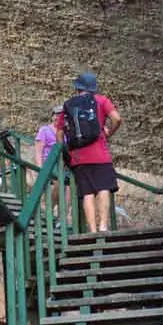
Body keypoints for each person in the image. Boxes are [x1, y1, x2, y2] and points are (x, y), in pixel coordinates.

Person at [56, 72, 122, 233]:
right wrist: (107, 133)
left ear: (77, 88)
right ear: (93, 88)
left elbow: (59, 132)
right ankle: (103, 226)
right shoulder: (101, 100)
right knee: (104, 188)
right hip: (100, 154)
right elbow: (117, 119)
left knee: (87, 193)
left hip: (78, 157)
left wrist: (65, 153)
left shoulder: (69, 105)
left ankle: (92, 231)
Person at [35, 106, 68, 224]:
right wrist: (40, 168)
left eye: (61, 116)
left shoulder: (66, 132)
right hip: (49, 162)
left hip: (63, 163)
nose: (58, 118)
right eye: (56, 115)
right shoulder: (45, 130)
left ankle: (61, 218)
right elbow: (39, 150)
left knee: (68, 187)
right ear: (52, 116)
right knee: (60, 183)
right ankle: (48, 208)